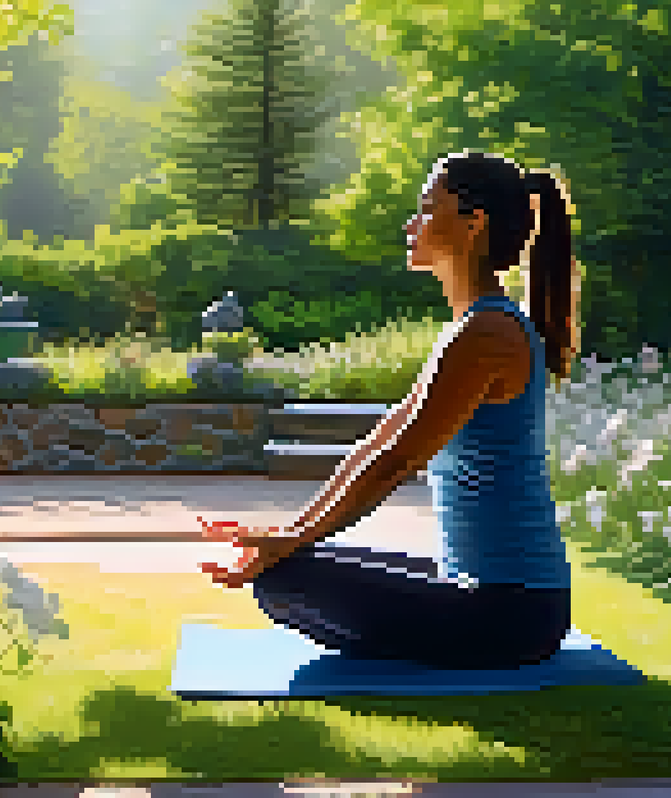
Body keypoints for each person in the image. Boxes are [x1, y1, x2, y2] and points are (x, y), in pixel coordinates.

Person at [197, 149, 579, 670]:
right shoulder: (471, 330)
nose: (411, 223)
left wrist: (288, 544)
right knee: (292, 563)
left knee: (284, 579)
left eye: (426, 208)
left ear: (474, 223)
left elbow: (395, 464)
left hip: (510, 612)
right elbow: (375, 445)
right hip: (489, 594)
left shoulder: (488, 335)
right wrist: (289, 534)